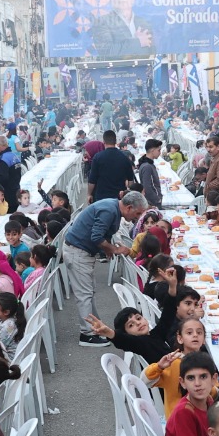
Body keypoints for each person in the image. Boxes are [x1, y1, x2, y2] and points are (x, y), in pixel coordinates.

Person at [63, 191, 149, 346]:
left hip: (81, 251)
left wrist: (108, 248)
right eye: (137, 213)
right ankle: (87, 334)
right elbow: (96, 237)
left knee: (88, 292)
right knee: (85, 294)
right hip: (78, 251)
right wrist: (113, 249)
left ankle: (95, 327)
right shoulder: (109, 210)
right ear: (129, 207)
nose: (137, 218)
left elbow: (101, 233)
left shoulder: (112, 207)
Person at [86, 130, 135, 204]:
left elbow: (92, 180)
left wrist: (89, 194)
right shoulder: (124, 158)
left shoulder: (98, 157)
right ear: (115, 141)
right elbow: (131, 181)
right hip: (119, 197)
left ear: (104, 141)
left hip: (102, 197)